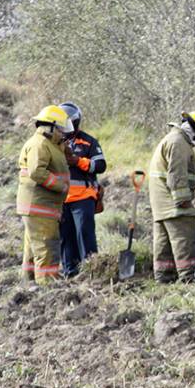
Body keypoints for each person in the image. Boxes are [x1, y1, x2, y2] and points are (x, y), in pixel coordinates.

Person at [149, 111, 195, 283]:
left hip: (161, 205)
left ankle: (164, 278)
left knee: (163, 244)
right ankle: (188, 278)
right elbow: (177, 174)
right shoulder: (179, 142)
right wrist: (182, 200)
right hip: (173, 204)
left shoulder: (172, 139)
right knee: (185, 239)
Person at [16, 105, 73, 285]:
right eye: (61, 128)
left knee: (33, 250)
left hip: (41, 206)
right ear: (50, 127)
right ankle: (47, 285)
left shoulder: (50, 144)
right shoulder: (40, 144)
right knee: (47, 247)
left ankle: (30, 284)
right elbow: (37, 172)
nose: (63, 132)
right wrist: (61, 186)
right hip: (40, 207)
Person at [59, 102, 107, 278]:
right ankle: (69, 274)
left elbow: (101, 165)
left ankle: (92, 272)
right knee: (66, 238)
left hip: (83, 198)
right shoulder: (53, 142)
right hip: (61, 200)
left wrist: (79, 161)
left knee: (85, 235)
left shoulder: (88, 141)